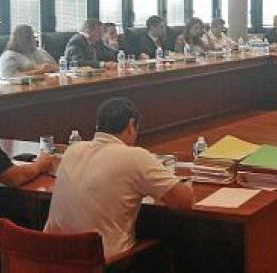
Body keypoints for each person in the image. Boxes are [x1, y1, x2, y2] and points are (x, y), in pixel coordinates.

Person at [44, 97, 193, 260]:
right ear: (131, 125)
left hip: (49, 260)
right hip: (103, 264)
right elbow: (183, 201)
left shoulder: (72, 150)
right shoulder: (135, 157)